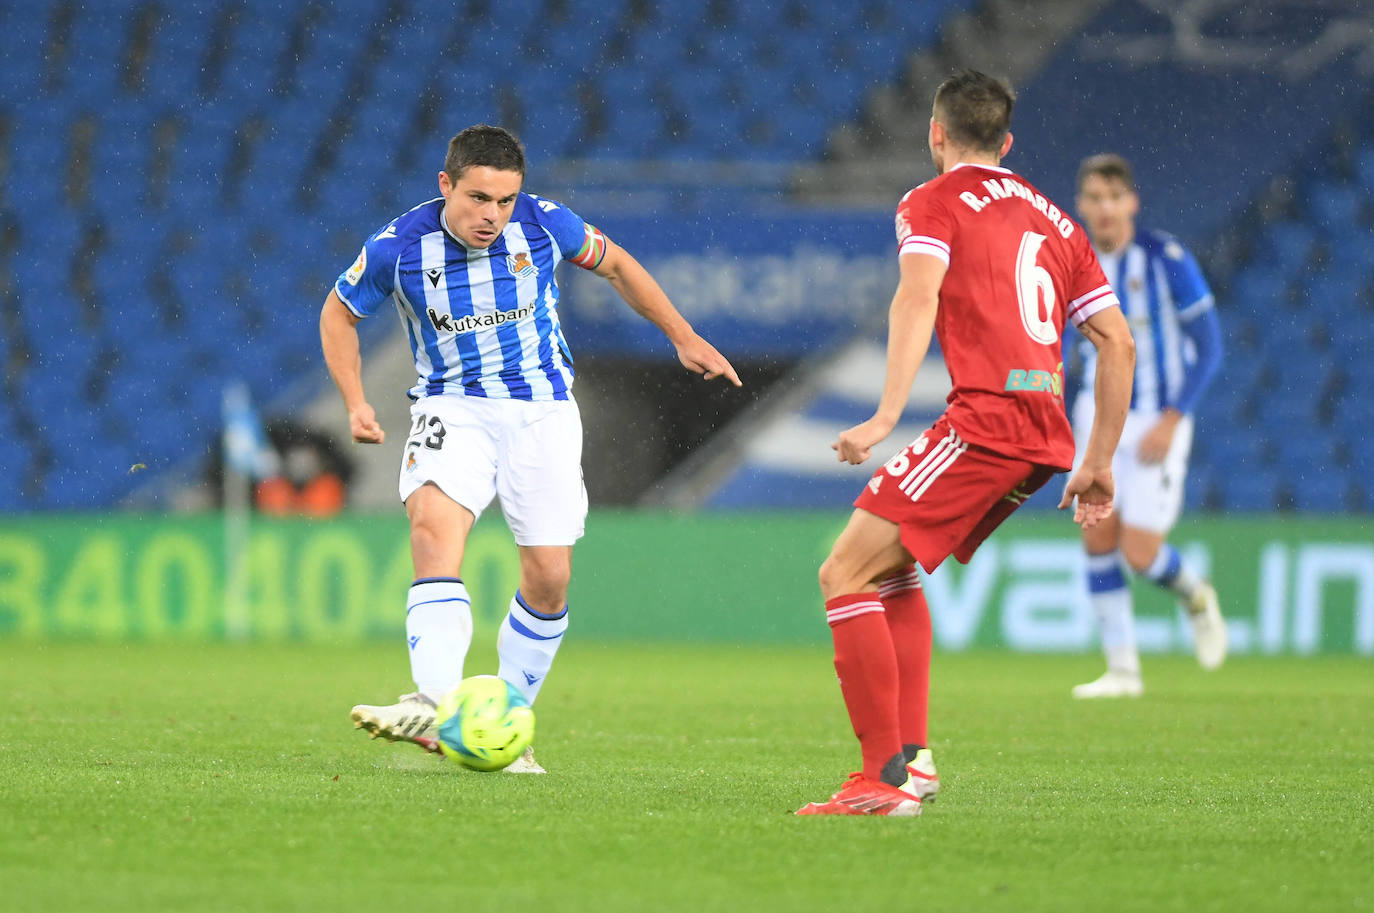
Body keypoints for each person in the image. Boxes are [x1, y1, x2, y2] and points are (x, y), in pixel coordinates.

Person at [319, 125, 740, 772]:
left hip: (541, 411)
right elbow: (339, 312)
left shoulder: (545, 223)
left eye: (504, 200)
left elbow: (618, 265)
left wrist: (682, 336)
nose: (492, 215)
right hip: (451, 406)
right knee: (433, 531)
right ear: (446, 185)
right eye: (478, 198)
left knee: (549, 577)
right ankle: (434, 702)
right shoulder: (398, 247)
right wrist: (355, 400)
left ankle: (504, 721)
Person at [795, 70, 1136, 817]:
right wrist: (1099, 461)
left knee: (842, 572)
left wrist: (885, 414)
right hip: (1044, 432)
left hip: (987, 422)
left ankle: (880, 781)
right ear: (1007, 143)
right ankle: (912, 763)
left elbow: (918, 293)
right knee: (889, 572)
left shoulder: (931, 200)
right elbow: (1117, 341)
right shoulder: (1058, 221)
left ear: (935, 134)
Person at [1066, 154, 1226, 699]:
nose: (1105, 208)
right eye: (1095, 197)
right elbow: (1062, 348)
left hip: (1158, 418)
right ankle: (1122, 671)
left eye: (1115, 197)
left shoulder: (1164, 258)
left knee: (1138, 553)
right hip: (1096, 418)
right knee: (1096, 534)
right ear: (1082, 205)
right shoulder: (1073, 261)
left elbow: (1209, 346)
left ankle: (1195, 593)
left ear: (1132, 202)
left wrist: (1173, 419)